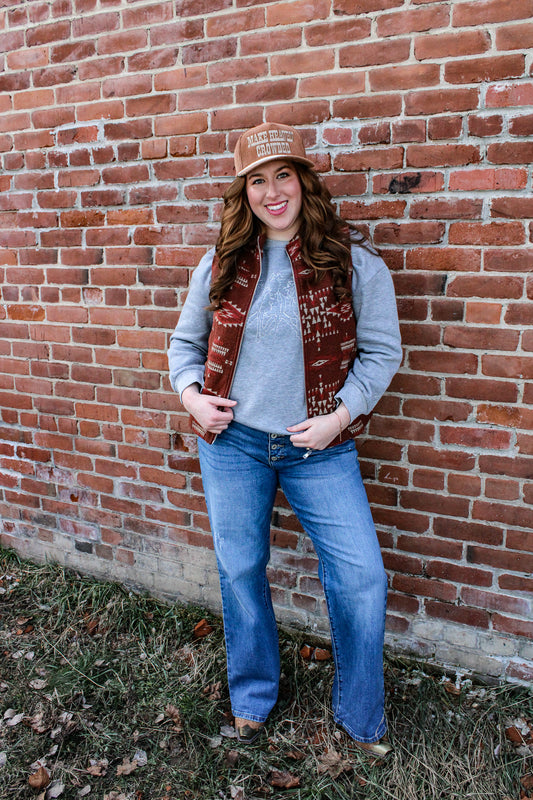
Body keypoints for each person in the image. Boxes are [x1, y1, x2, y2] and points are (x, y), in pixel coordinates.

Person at [167, 122, 402, 757]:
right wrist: (193, 397)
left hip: (318, 447)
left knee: (361, 578)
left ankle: (359, 715)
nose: (273, 191)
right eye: (257, 180)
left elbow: (382, 353)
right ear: (244, 193)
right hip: (234, 444)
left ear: (303, 182)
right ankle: (252, 696)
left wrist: (339, 416)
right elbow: (183, 346)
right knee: (240, 568)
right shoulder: (222, 263)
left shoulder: (352, 262)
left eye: (283, 175)